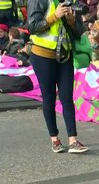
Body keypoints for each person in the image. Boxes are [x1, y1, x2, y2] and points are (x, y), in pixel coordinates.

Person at [28, 0, 89, 153]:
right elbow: (32, 27)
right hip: (43, 55)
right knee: (48, 97)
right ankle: (54, 139)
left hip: (64, 55)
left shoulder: (69, 2)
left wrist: (72, 21)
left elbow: (79, 32)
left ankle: (73, 140)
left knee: (67, 97)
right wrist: (54, 16)